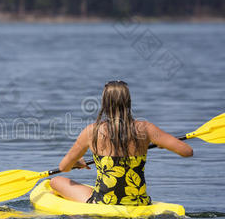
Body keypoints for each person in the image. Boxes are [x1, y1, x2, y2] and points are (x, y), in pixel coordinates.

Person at [50, 81, 193, 204]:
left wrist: (77, 162)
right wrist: (162, 144)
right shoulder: (146, 129)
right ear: (128, 102)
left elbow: (64, 167)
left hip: (104, 201)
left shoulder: (91, 131)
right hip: (138, 202)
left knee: (55, 181)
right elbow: (187, 151)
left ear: (104, 103)